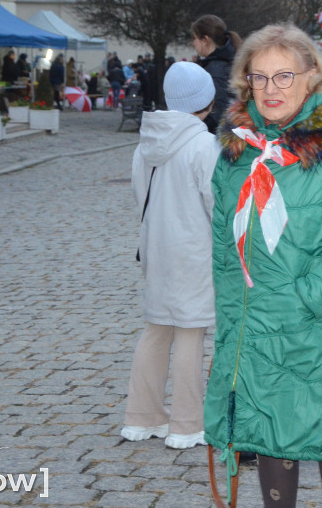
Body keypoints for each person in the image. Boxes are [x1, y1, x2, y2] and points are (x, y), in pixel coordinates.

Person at [205, 24, 322, 508]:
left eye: (284, 76)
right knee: (271, 447)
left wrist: (304, 297)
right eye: (259, 77)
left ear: (312, 77)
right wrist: (233, 325)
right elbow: (226, 253)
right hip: (261, 340)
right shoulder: (236, 152)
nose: (270, 89)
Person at [122, 62, 220, 450]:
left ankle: (140, 417)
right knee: (190, 333)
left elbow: (138, 195)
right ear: (207, 101)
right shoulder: (204, 146)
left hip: (156, 248)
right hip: (194, 252)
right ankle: (186, 422)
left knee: (157, 328)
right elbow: (218, 206)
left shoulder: (146, 145)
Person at [191, 15, 243, 134]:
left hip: (217, 141)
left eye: (195, 38)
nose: (193, 43)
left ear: (205, 40)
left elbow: (219, 113)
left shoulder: (215, 70)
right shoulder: (227, 62)